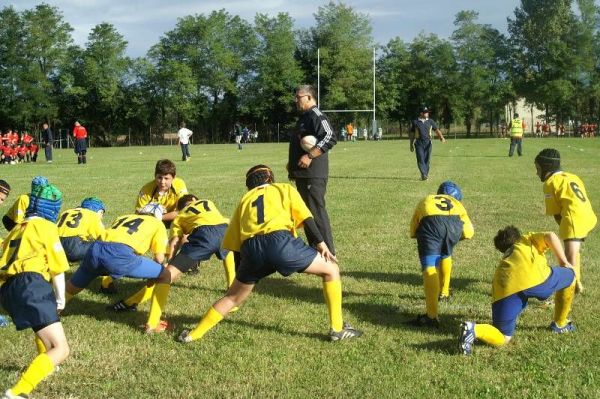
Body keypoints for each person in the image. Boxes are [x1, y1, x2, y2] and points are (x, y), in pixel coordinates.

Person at [177, 165, 362, 343]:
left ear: (250, 185)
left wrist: (241, 274)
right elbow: (307, 217)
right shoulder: (283, 188)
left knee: (232, 298)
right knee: (331, 270)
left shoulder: (245, 200)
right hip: (280, 242)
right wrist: (321, 243)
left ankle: (193, 335)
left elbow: (235, 245)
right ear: (269, 178)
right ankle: (337, 329)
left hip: (251, 248)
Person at [0, 183, 71, 398]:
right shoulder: (47, 228)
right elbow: (57, 269)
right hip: (29, 284)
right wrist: (60, 299)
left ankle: (46, 362)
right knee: (61, 349)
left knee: (38, 320)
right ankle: (18, 392)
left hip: (6, 287)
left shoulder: (16, 228)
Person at [459, 226, 576, 355]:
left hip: (503, 288)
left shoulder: (504, 261)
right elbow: (551, 236)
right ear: (517, 236)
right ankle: (560, 323)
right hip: (537, 279)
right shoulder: (526, 239)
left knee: (504, 337)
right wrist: (563, 262)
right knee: (572, 275)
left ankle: (473, 329)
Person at [130, 194, 236, 333]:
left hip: (204, 235)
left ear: (179, 208)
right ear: (195, 201)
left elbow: (174, 242)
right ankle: (232, 292)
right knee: (228, 253)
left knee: (166, 276)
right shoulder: (207, 201)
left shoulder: (179, 216)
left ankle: (150, 320)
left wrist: (169, 265)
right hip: (225, 230)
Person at [65, 203, 168, 308]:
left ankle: (52, 312)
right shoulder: (158, 224)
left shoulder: (123, 217)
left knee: (70, 289)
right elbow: (159, 258)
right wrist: (154, 274)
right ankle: (153, 323)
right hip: (119, 254)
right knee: (165, 274)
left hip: (96, 249)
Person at [409, 181, 474, 327]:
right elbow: (469, 233)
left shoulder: (427, 199)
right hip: (454, 227)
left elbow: (414, 225)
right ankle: (444, 293)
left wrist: (418, 235)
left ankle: (431, 317)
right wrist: (453, 237)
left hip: (431, 225)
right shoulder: (458, 204)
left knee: (429, 267)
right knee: (445, 254)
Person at [534, 148, 597, 294]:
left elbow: (556, 214)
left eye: (538, 169)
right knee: (573, 251)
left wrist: (565, 229)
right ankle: (576, 281)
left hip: (573, 219)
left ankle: (571, 286)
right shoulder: (572, 176)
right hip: (588, 216)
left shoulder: (550, 183)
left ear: (546, 168)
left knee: (568, 258)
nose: (536, 173)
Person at [288, 84, 337, 255]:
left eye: (298, 97)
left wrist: (309, 156)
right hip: (303, 175)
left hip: (313, 175)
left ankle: (330, 255)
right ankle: (316, 252)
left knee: (316, 214)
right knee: (307, 215)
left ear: (309, 97)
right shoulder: (304, 117)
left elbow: (330, 136)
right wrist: (293, 164)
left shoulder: (316, 115)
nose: (296, 100)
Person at [136, 159, 188, 227]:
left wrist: (159, 217)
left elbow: (183, 211)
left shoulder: (179, 185)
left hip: (172, 216)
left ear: (174, 177)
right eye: (159, 178)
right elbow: (138, 213)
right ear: (155, 176)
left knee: (187, 219)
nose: (162, 182)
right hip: (151, 219)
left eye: (166, 178)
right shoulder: (146, 190)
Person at [57, 197, 106, 263]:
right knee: (103, 247)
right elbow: (104, 238)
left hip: (56, 246)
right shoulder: (93, 215)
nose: (102, 217)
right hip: (73, 247)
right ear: (100, 211)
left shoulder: (66, 212)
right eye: (102, 213)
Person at [409, 107, 445, 181]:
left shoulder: (430, 121)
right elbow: (412, 134)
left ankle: (425, 174)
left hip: (428, 143)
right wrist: (411, 144)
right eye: (425, 112)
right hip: (419, 143)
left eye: (427, 112)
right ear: (421, 113)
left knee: (427, 160)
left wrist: (441, 137)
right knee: (420, 159)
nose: (427, 113)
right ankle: (424, 174)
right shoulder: (415, 122)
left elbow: (437, 130)